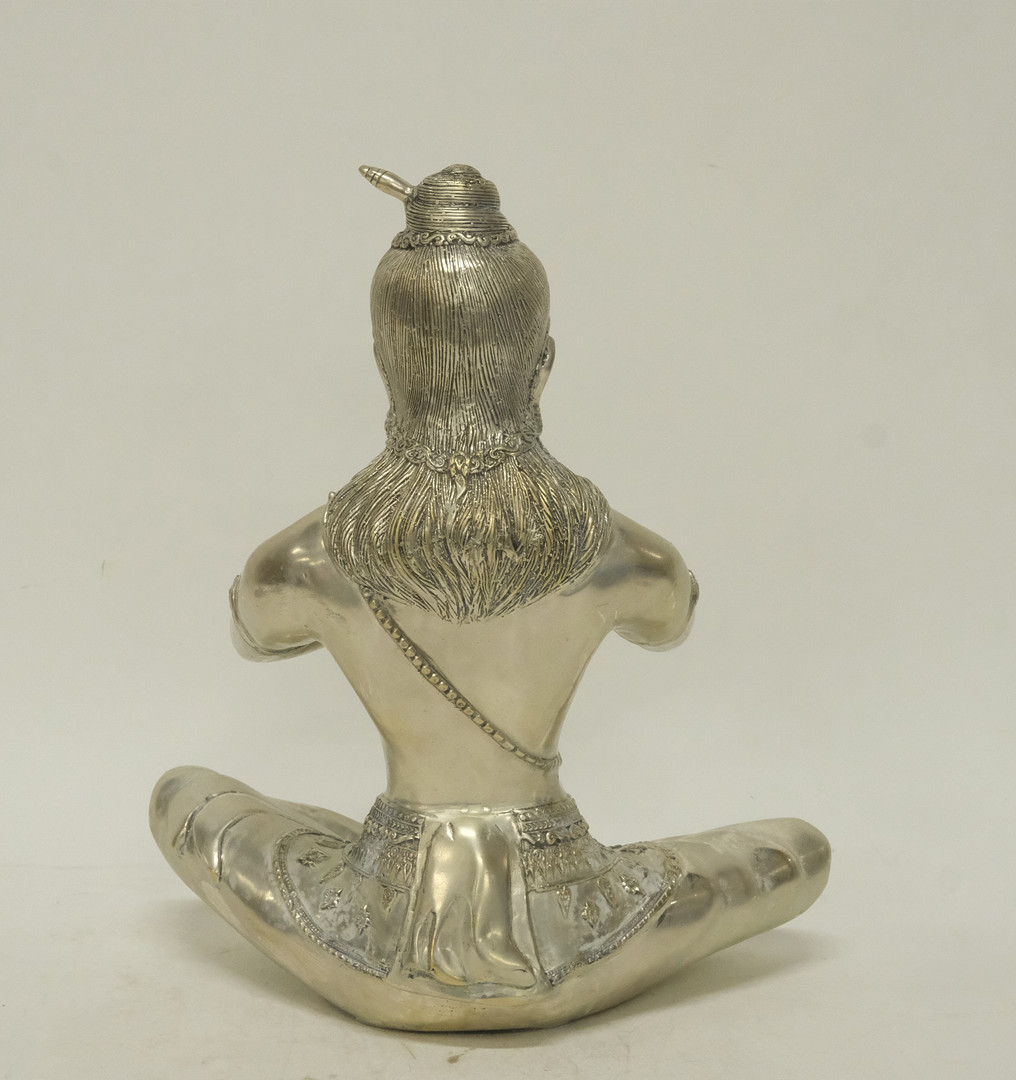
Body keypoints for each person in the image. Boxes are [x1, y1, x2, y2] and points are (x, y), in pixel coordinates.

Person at [150, 164, 829, 1030]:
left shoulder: (305, 558)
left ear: (386, 366)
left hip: (376, 934)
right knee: (796, 852)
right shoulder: (623, 552)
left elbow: (254, 634)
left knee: (185, 796)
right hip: (571, 921)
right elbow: (673, 623)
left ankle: (356, 867)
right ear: (541, 367)